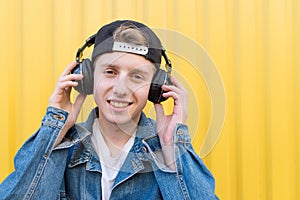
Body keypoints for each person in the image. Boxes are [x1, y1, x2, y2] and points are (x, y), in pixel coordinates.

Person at [0, 20, 218, 200]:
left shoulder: (165, 152)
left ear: (156, 88)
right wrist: (53, 131)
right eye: (111, 72)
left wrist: (173, 149)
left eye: (137, 76)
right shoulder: (61, 146)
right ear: (89, 78)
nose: (121, 89)